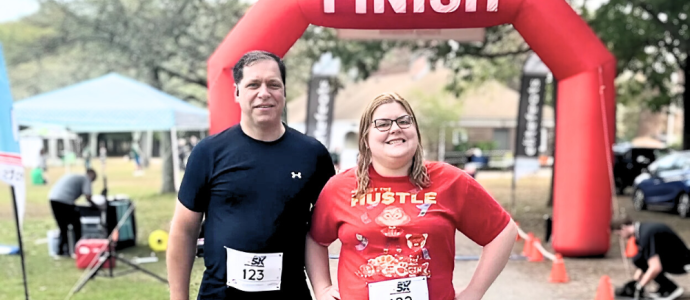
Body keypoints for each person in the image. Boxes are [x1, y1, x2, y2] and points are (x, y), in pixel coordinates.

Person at [306, 92, 517, 300]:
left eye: (404, 121)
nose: (395, 128)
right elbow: (315, 239)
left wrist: (474, 292)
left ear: (416, 131)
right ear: (366, 139)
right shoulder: (340, 187)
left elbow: (502, 232)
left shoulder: (451, 181)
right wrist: (323, 288)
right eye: (382, 124)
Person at [167, 50, 336, 300]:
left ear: (284, 93)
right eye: (253, 84)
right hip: (220, 295)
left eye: (273, 84)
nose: (264, 93)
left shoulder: (312, 154)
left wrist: (324, 290)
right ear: (236, 92)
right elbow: (183, 230)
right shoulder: (208, 152)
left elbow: (325, 232)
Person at [611, 217, 690, 300]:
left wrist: (640, 286)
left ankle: (671, 289)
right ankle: (665, 287)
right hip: (673, 258)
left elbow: (655, 267)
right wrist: (635, 281)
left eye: (619, 234)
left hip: (683, 262)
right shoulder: (642, 230)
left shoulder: (646, 234)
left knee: (641, 260)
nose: (622, 237)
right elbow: (643, 260)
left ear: (623, 228)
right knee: (638, 259)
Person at [48, 169, 98, 257]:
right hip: (64, 201)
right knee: (76, 224)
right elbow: (88, 197)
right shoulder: (86, 179)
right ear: (92, 175)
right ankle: (78, 248)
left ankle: (61, 250)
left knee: (63, 226)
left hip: (53, 198)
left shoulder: (76, 176)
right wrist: (96, 206)